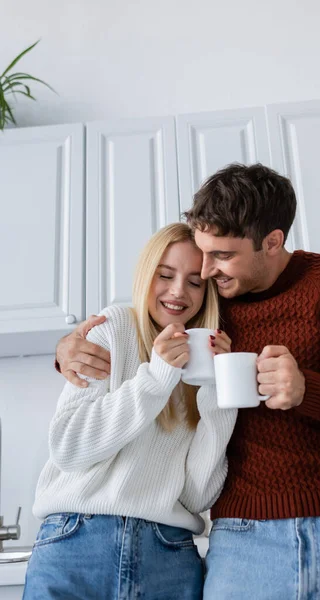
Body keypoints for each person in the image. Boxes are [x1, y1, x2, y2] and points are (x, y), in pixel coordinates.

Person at [56, 164, 320, 599]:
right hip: (240, 535)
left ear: (272, 241)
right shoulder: (204, 301)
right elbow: (142, 327)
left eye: (222, 254)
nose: (206, 269)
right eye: (202, 252)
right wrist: (68, 349)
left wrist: (307, 389)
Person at [23, 223, 237, 600]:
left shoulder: (201, 356)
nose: (177, 292)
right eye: (165, 275)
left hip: (168, 553)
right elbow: (69, 447)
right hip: (77, 543)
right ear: (145, 276)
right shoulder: (113, 328)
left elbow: (196, 495)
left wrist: (217, 391)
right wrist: (156, 377)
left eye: (194, 282)